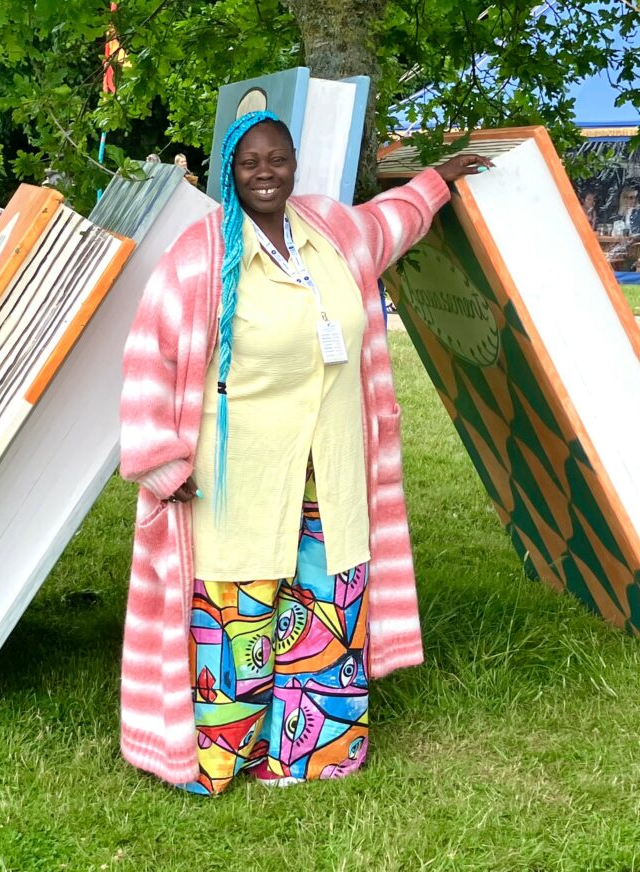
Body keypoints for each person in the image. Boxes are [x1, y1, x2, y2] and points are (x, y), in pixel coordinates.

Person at [119, 111, 491, 795]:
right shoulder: (200, 256)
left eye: (277, 159)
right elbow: (150, 354)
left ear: (294, 164)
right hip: (238, 472)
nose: (265, 173)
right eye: (250, 162)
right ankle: (227, 757)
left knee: (324, 602)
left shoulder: (331, 230)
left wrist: (438, 180)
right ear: (229, 172)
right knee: (240, 606)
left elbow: (391, 221)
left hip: (331, 463)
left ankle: (314, 754)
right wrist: (161, 459)